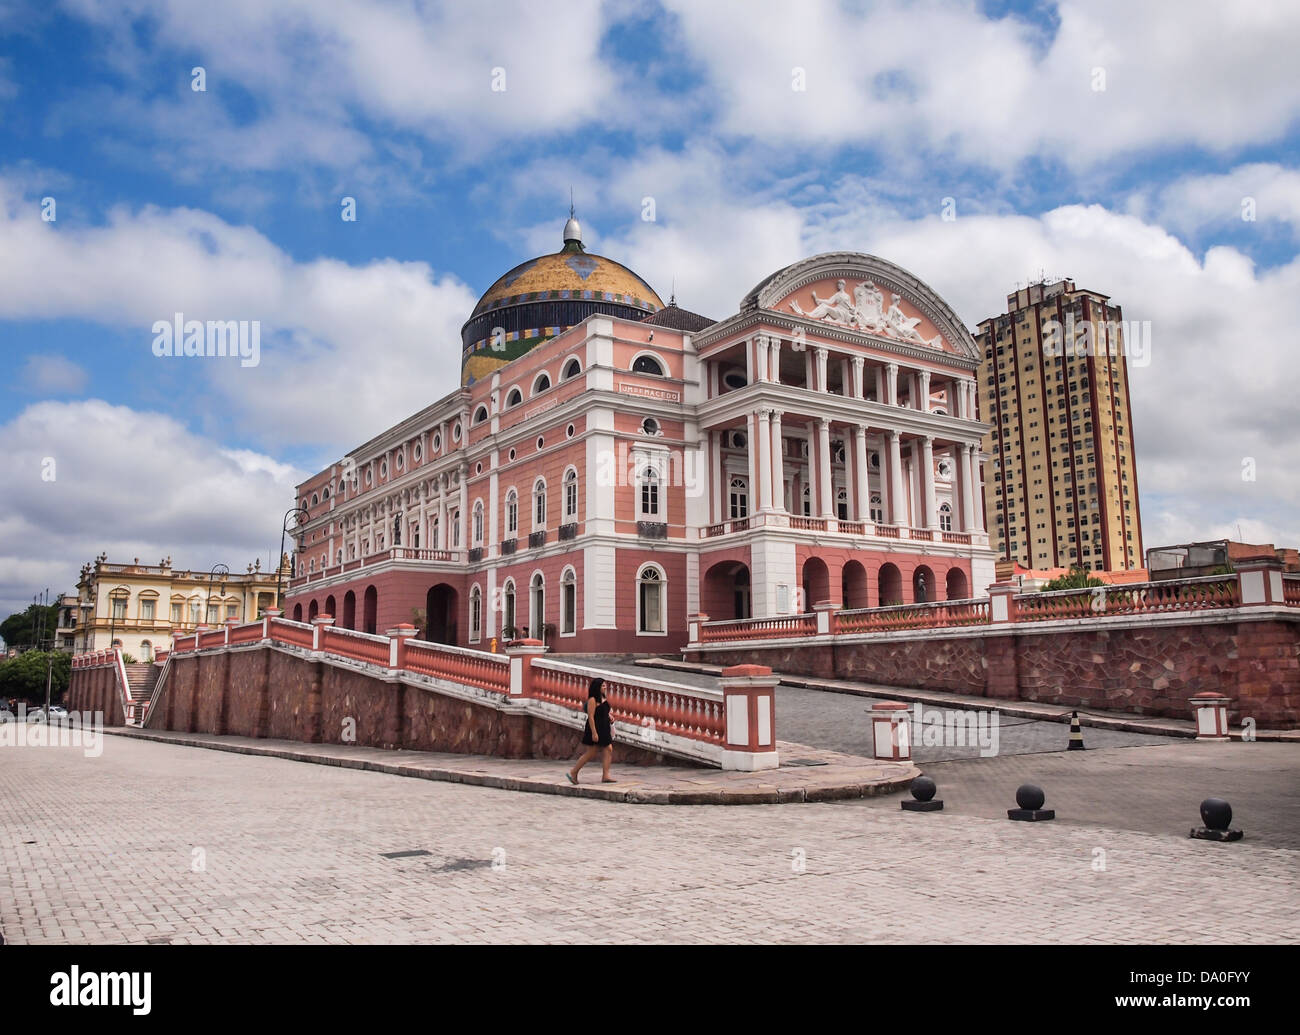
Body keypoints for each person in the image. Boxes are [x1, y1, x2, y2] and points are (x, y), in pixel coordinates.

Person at [567, 677, 614, 784]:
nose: (605, 687)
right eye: (603, 685)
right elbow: (591, 717)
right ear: (597, 687)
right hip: (595, 728)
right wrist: (594, 732)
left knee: (608, 749)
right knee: (591, 752)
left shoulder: (603, 698)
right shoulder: (592, 700)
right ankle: (574, 771)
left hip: (604, 727)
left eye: (605, 685)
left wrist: (609, 716)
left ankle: (606, 775)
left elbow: (603, 712)